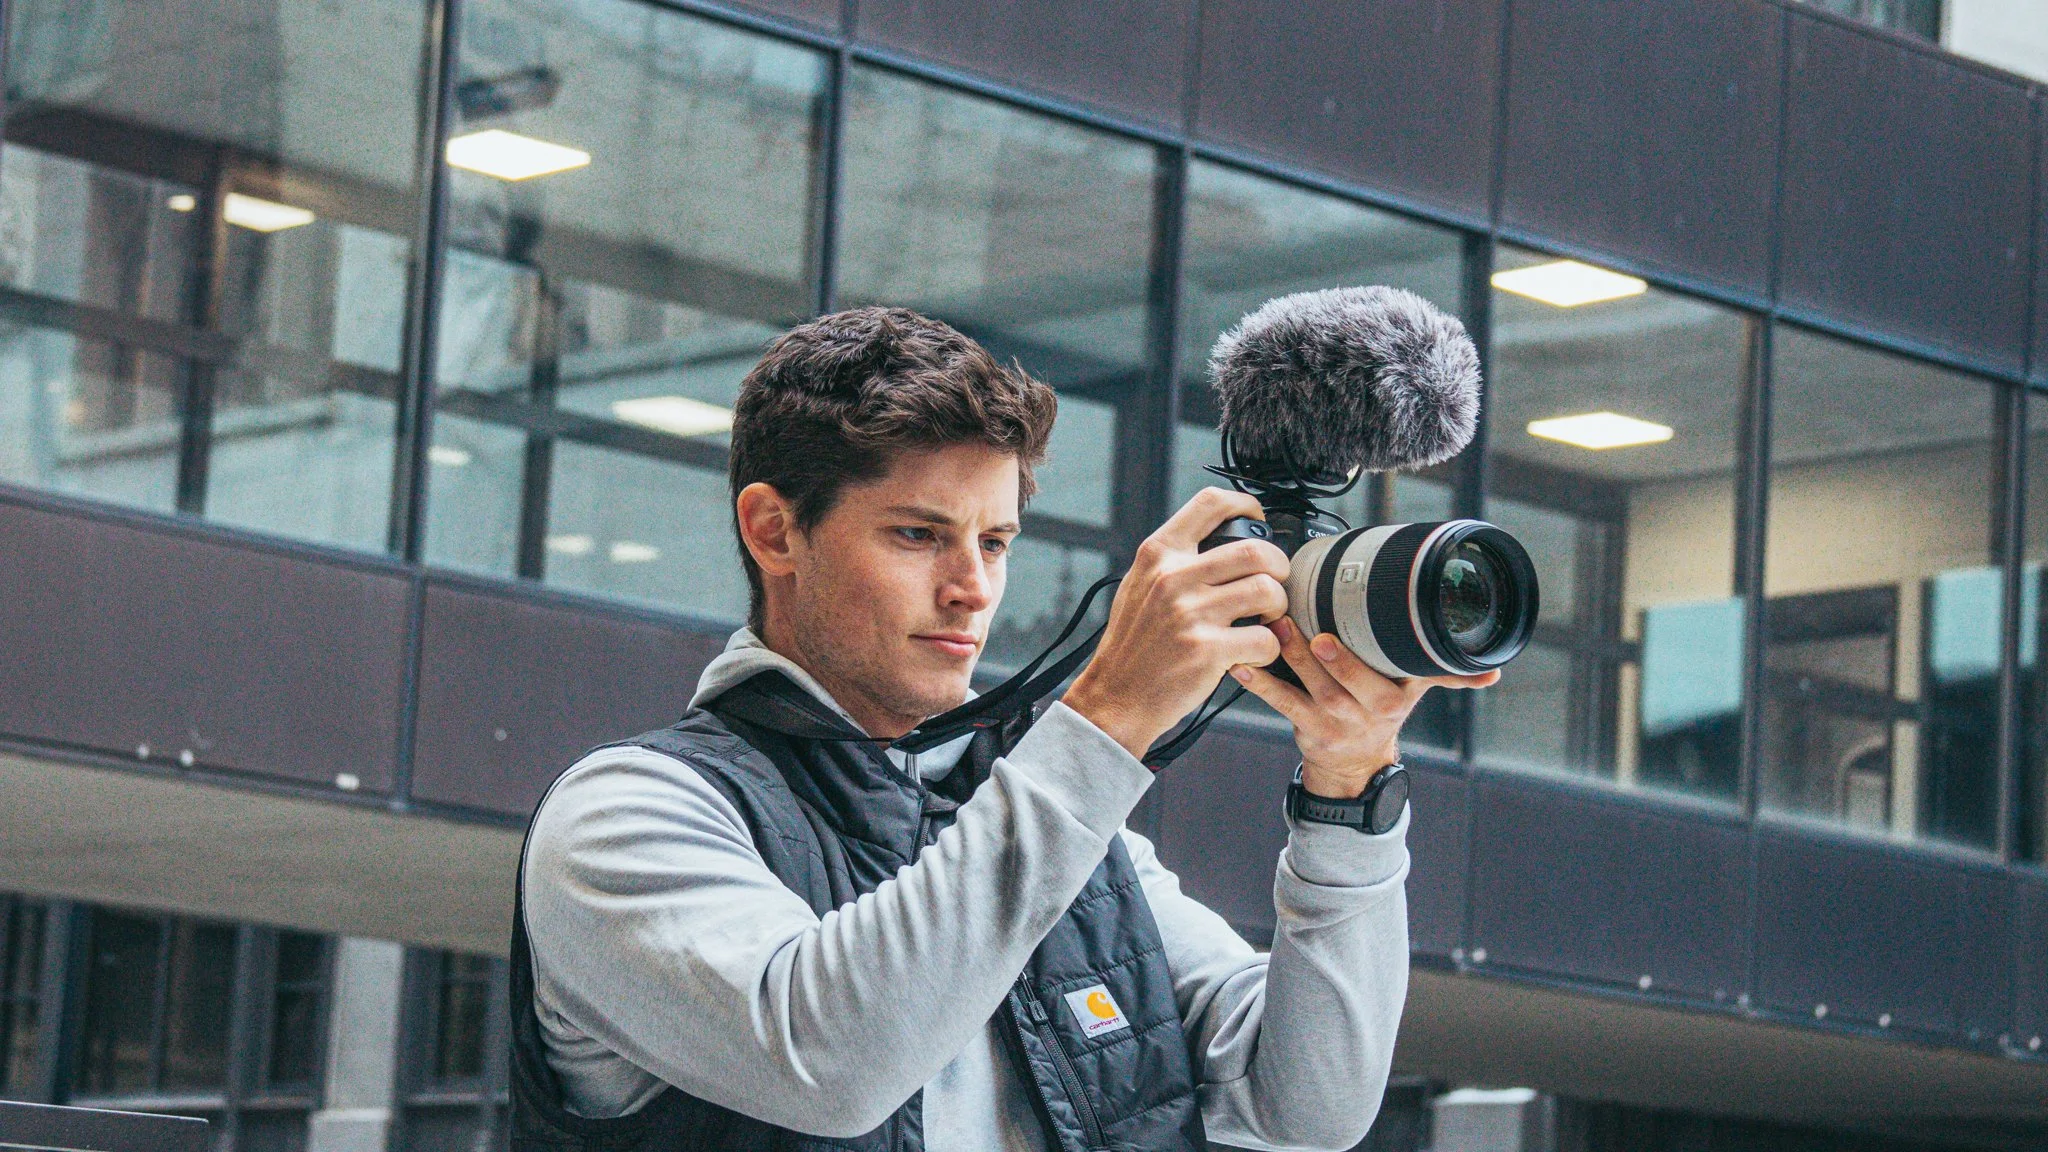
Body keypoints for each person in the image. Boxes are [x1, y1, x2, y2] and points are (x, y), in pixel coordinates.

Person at [512, 306, 1500, 1152]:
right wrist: (1107, 715)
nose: (969, 589)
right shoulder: (627, 813)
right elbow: (836, 1063)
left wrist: (1348, 787)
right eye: (918, 535)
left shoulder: (1064, 829)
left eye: (993, 542)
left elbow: (1305, 1109)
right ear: (773, 530)